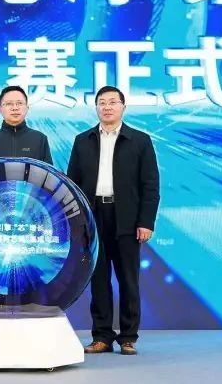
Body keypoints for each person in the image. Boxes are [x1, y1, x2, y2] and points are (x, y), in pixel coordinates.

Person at [66, 86, 160, 356]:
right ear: (96, 107)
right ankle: (102, 336)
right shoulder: (83, 141)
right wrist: (77, 224)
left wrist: (146, 221)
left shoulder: (139, 140)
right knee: (98, 280)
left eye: (112, 102)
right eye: (102, 103)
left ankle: (128, 337)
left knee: (128, 280)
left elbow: (150, 185)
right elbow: (73, 184)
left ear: (123, 107)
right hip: (93, 217)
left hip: (127, 218)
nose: (107, 107)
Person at [0, 85, 53, 164]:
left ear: (27, 108)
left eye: (19, 103)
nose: (15, 108)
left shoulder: (40, 139)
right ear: (0, 110)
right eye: (9, 104)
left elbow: (48, 171)